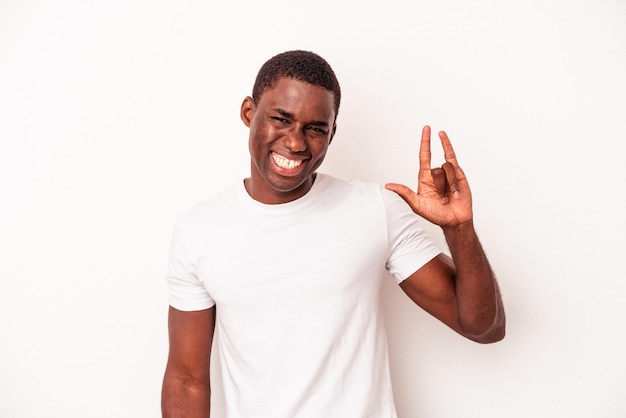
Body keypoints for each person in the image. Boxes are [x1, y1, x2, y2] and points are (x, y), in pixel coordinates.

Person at [161, 50, 505, 418]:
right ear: (249, 112)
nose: (295, 143)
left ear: (332, 133)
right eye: (281, 119)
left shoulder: (375, 209)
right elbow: (186, 379)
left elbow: (484, 327)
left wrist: (459, 230)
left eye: (315, 128)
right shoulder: (199, 229)